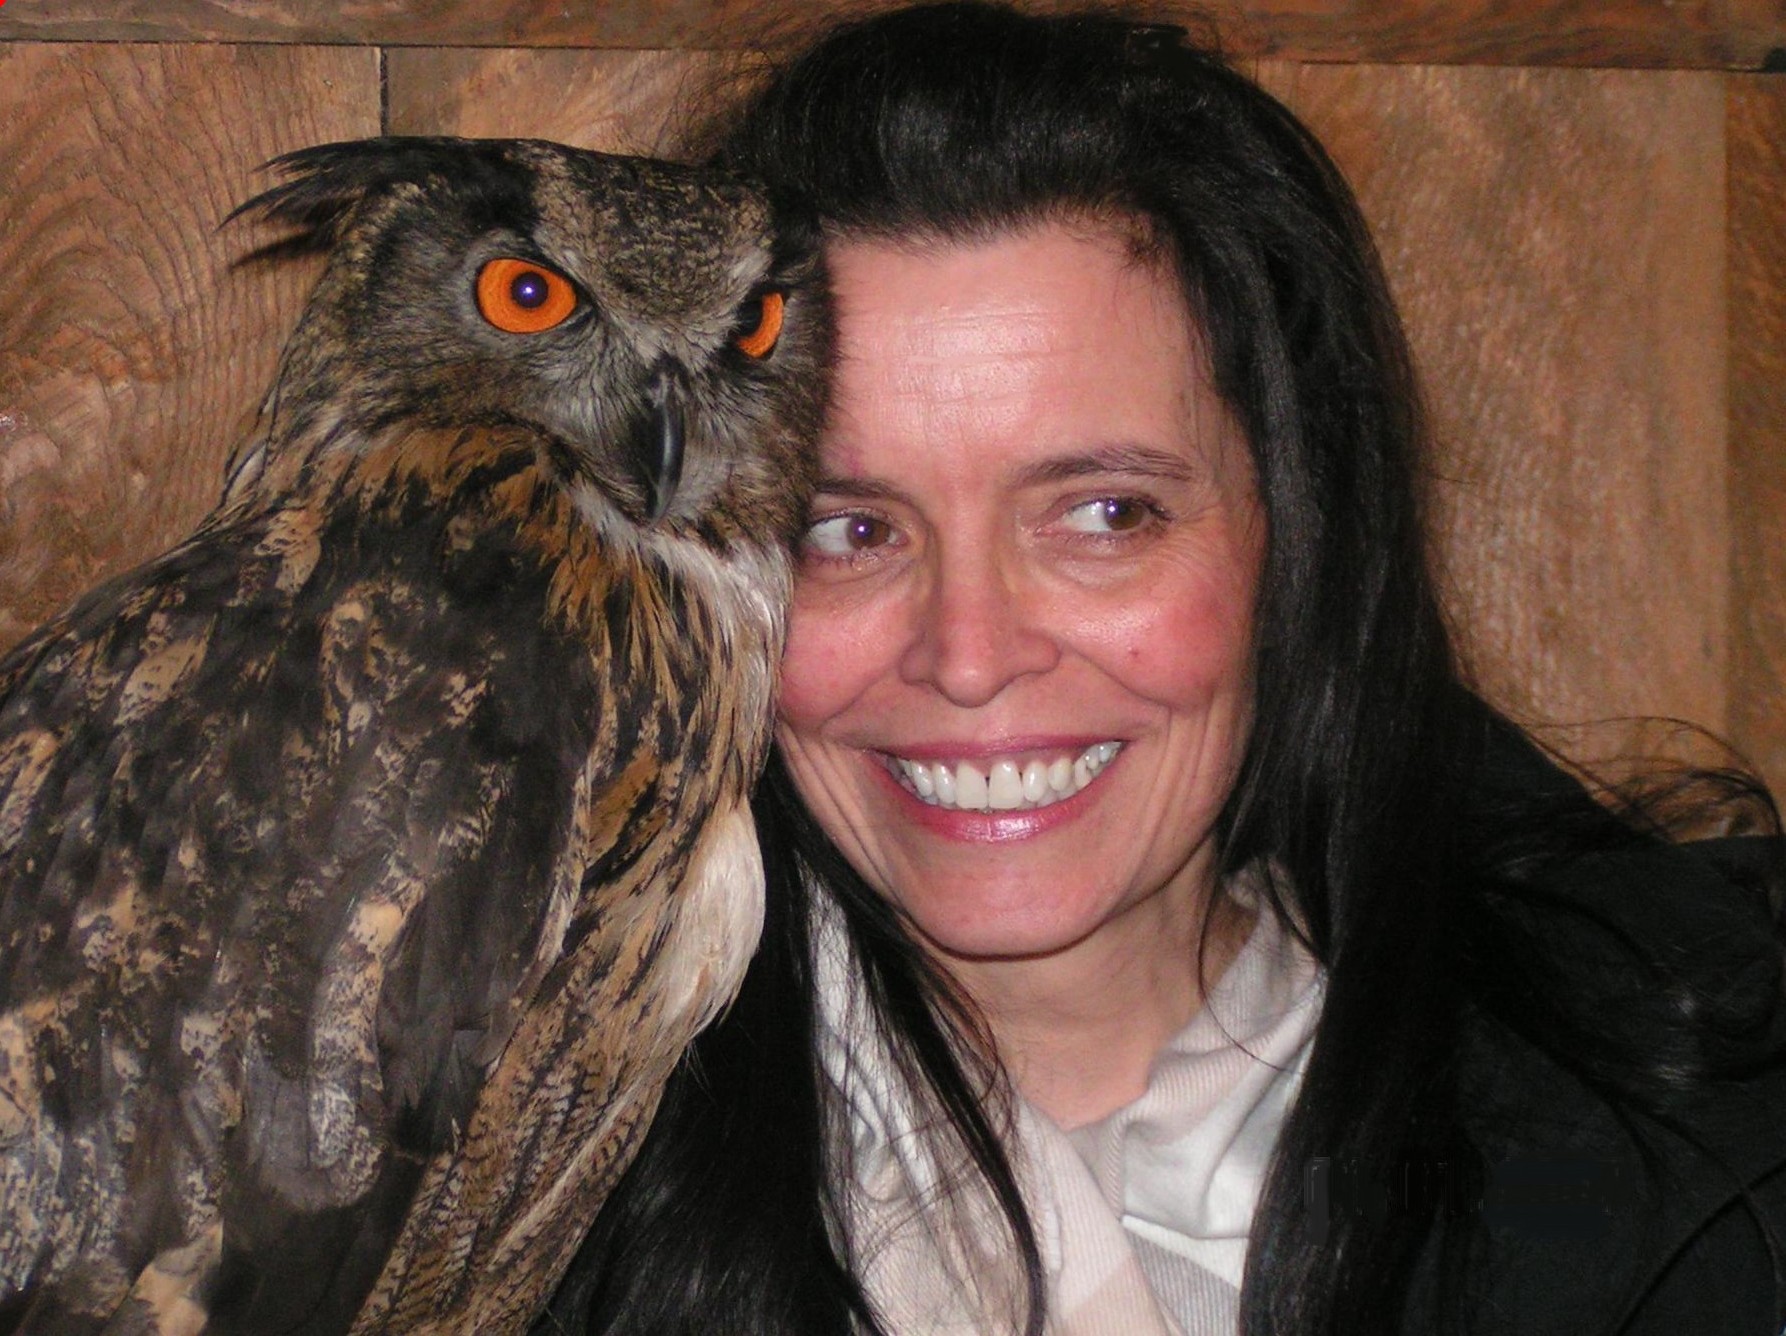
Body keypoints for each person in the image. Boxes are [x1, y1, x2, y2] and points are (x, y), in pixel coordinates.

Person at [536, 5, 1786, 1332]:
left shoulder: (1714, 1146)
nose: (968, 656)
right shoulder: (463, 1202)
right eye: (842, 531)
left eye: (1105, 514)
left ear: (1295, 537)